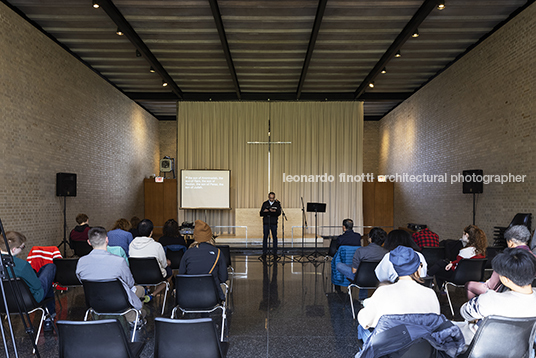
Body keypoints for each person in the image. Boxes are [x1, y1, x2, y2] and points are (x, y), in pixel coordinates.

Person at [357, 246, 440, 343]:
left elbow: (365, 321)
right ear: (418, 267)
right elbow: (436, 323)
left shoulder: (383, 291)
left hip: (392, 348)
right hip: (423, 346)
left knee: (362, 328)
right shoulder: (430, 293)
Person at [457, 248, 536, 345]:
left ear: (505, 279)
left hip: (481, 348)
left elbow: (464, 312)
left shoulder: (489, 299)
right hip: (521, 351)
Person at [76, 227, 149, 323]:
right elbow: (130, 283)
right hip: (119, 302)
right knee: (140, 290)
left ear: (89, 242)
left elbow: (82, 281)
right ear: (107, 240)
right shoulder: (119, 261)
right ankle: (135, 318)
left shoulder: (81, 261)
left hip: (95, 302)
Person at [1, 231, 57, 331]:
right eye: (22, 248)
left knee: (42, 273)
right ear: (14, 249)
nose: (22, 250)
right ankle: (49, 317)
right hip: (26, 301)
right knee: (50, 268)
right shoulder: (22, 265)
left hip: (3, 303)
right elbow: (37, 286)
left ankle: (50, 316)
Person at [466, 225, 533, 299]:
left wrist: (488, 282)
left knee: (469, 285)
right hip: (529, 295)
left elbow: (492, 286)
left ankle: (474, 308)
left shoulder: (505, 259)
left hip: (503, 294)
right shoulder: (533, 258)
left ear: (510, 242)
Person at [179, 220, 228, 301]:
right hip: (211, 298)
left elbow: (181, 275)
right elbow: (223, 278)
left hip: (189, 297)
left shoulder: (187, 253)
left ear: (195, 236)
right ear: (210, 236)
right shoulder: (218, 252)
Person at [336, 227, 388, 300]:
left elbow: (354, 271)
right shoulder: (386, 253)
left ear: (370, 238)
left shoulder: (360, 251)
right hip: (379, 279)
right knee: (364, 272)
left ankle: (362, 299)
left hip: (361, 279)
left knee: (340, 265)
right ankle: (362, 299)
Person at [428, 225, 487, 289]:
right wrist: (452, 263)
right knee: (442, 262)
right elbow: (464, 262)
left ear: (467, 235)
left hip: (459, 277)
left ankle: (428, 279)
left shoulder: (464, 251)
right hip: (475, 277)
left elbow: (457, 268)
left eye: (463, 234)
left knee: (439, 269)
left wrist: (452, 265)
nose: (462, 236)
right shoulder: (481, 251)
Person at [129, 219, 171, 299]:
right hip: (155, 277)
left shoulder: (132, 244)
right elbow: (164, 264)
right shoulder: (157, 246)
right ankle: (152, 295)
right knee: (169, 272)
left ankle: (146, 289)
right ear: (151, 232)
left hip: (137, 276)